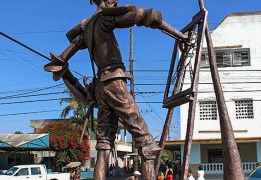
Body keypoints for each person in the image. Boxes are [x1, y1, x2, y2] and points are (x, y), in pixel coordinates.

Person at [44, 0, 187, 179]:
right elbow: (142, 16)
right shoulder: (105, 19)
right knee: (146, 142)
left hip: (101, 88)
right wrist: (177, 33)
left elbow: (70, 43)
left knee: (104, 145)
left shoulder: (87, 28)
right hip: (114, 83)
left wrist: (62, 62)